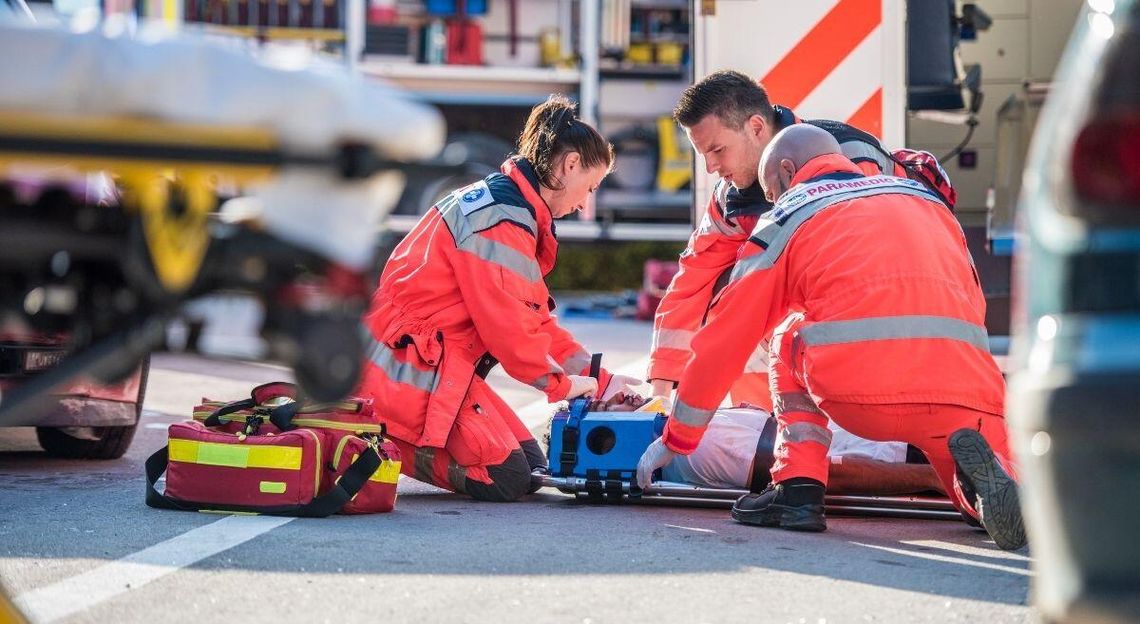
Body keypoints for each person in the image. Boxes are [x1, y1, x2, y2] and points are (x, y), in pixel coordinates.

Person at [637, 125, 1025, 550]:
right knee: (967, 480)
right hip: (967, 392)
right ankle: (986, 498)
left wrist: (679, 437)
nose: (773, 200)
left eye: (772, 190)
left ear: (787, 172)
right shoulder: (924, 200)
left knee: (787, 335)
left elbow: (727, 336)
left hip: (860, 395)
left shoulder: (790, 213)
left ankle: (797, 490)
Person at [358, 95, 641, 502]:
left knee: (533, 469)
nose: (584, 203)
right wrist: (564, 386)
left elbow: (535, 321)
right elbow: (512, 335)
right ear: (570, 164)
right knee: (507, 477)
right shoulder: (502, 221)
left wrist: (602, 380)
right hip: (406, 372)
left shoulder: (510, 208)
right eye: (590, 187)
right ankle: (384, 435)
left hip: (428, 365)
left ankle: (396, 428)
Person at [647, 70, 952, 411]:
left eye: (717, 150)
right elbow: (693, 280)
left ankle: (861, 430)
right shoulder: (730, 197)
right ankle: (760, 429)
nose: (710, 167)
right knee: (729, 301)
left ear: (757, 128)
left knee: (760, 308)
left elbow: (869, 269)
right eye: (703, 154)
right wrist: (660, 391)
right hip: (843, 314)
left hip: (893, 312)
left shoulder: (850, 159)